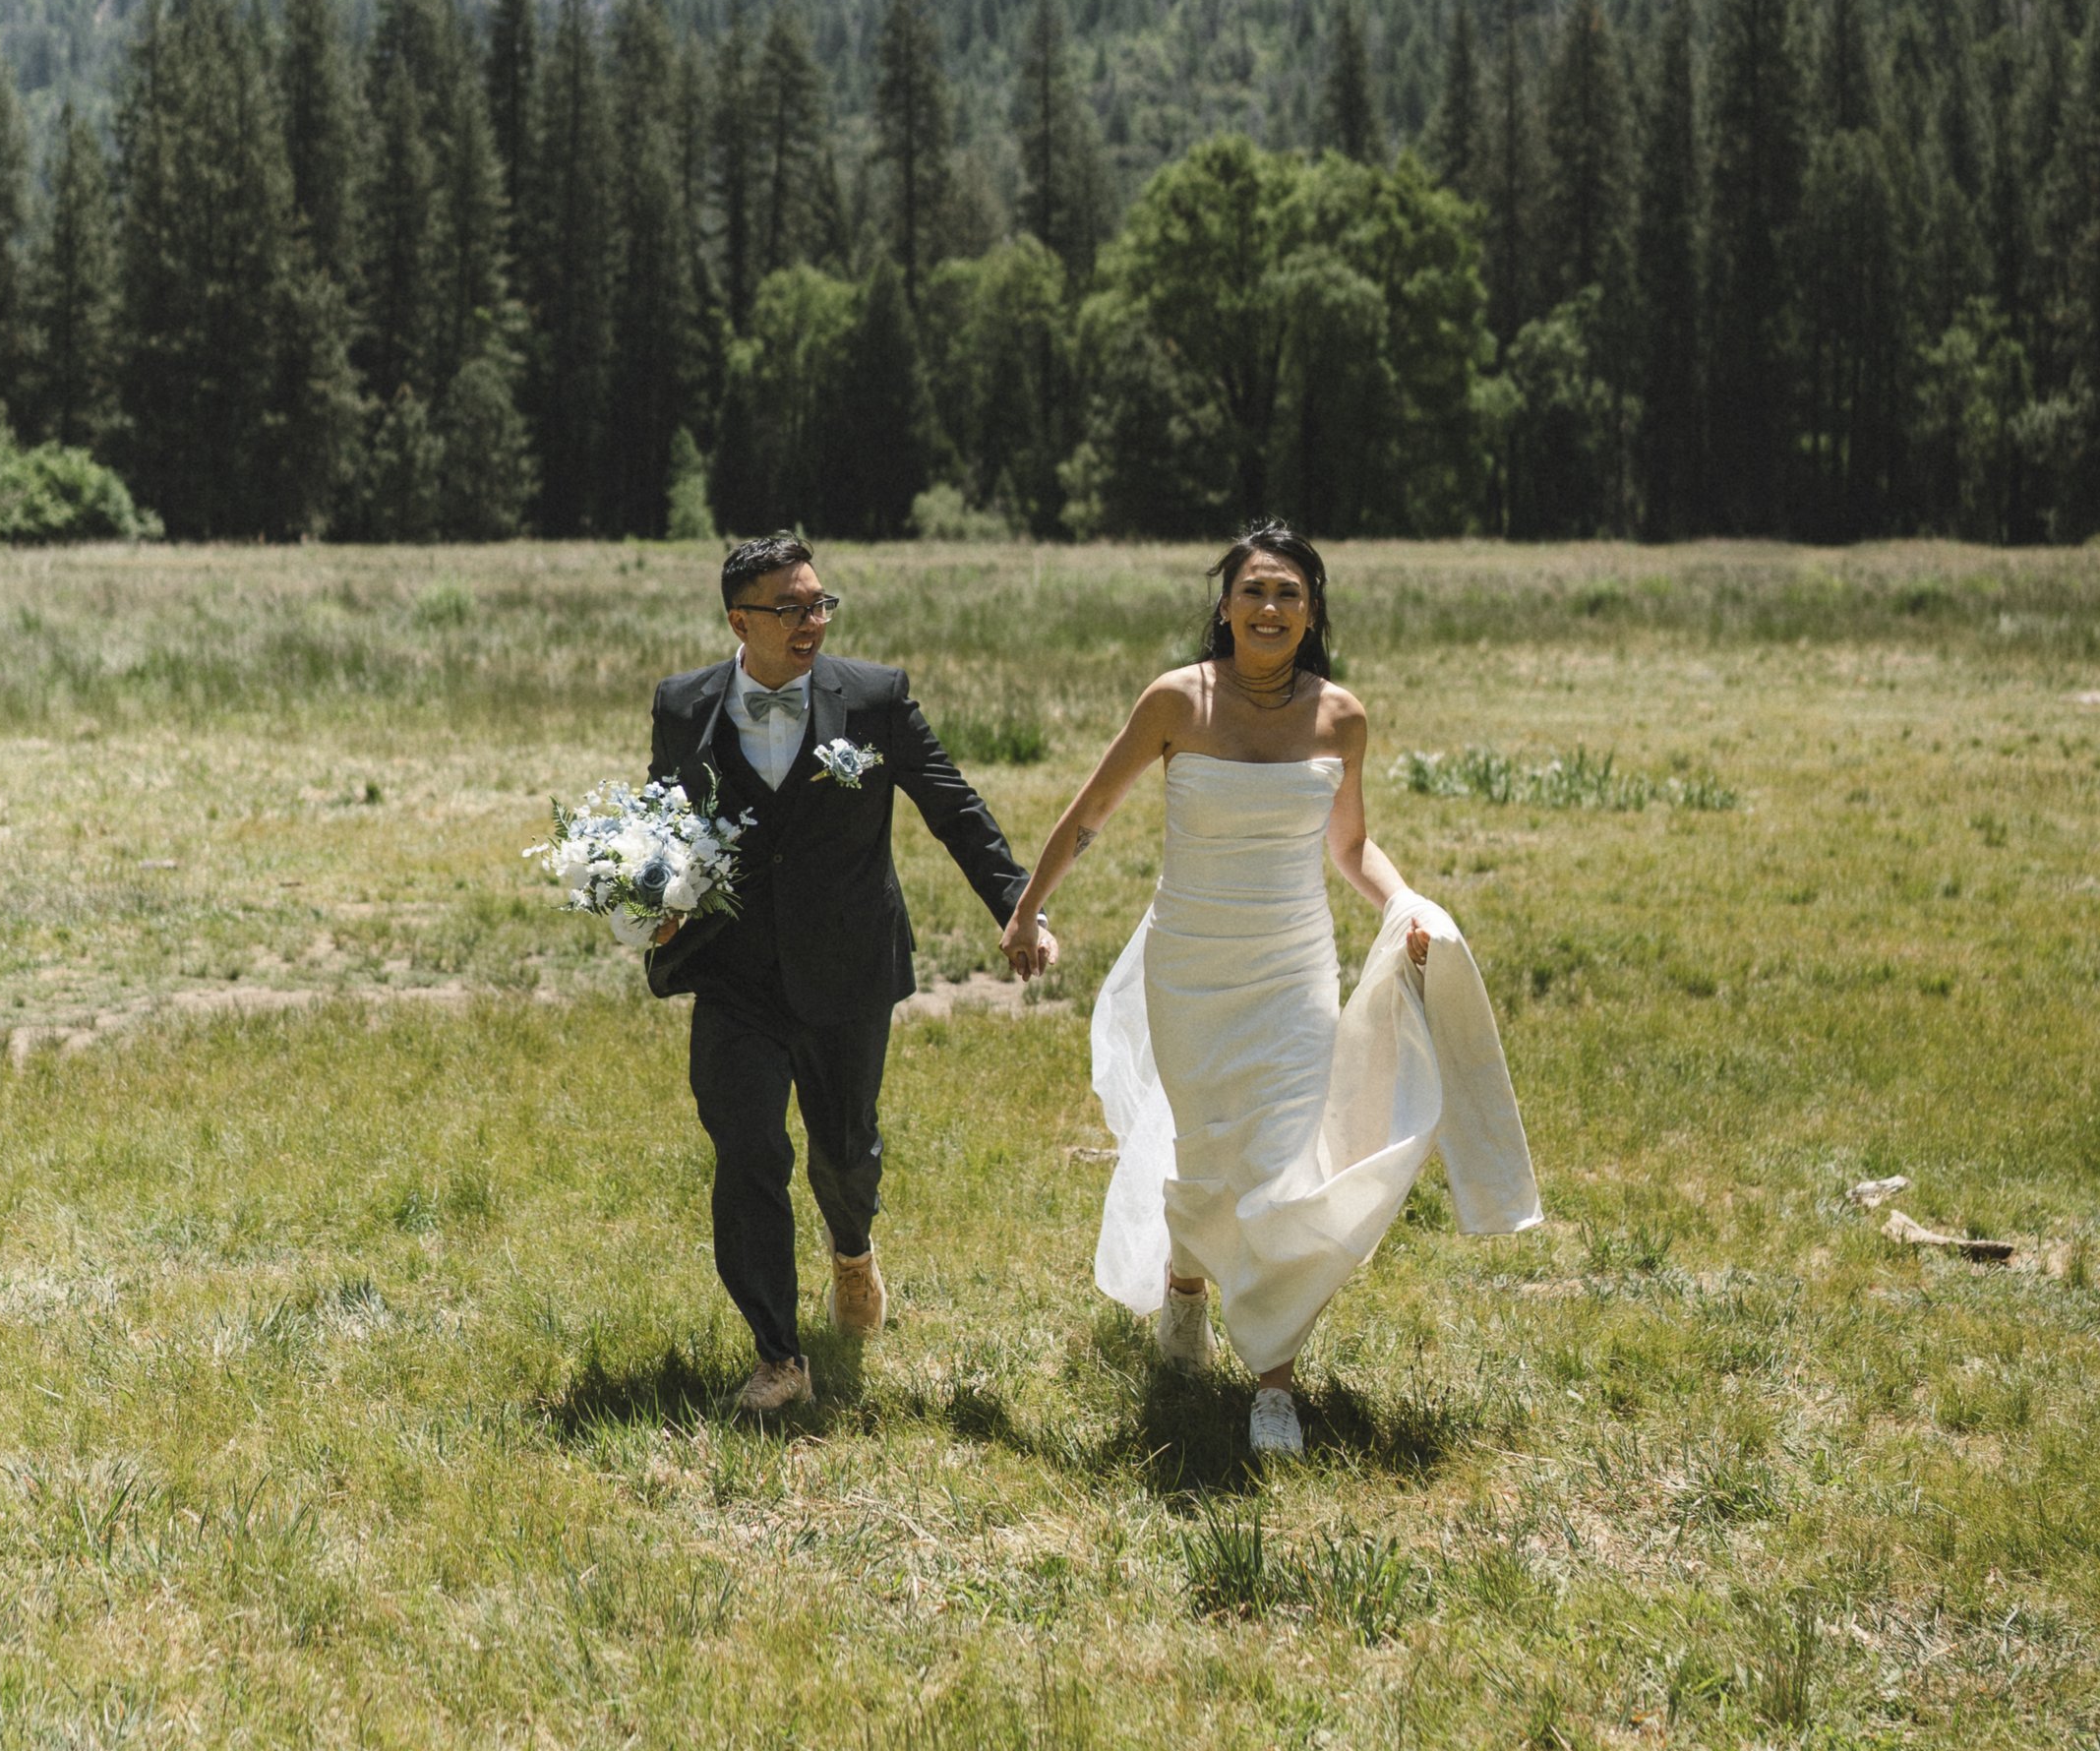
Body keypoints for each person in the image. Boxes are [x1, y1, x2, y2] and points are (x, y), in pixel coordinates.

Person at [1002, 521, 1538, 1459]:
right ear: (1225, 606)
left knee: (1282, 1163)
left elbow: (1351, 846)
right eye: (1253, 590)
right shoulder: (1176, 701)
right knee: (1209, 1148)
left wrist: (1407, 906)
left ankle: (1274, 1383)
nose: (1269, 607)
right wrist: (1026, 911)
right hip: (1190, 966)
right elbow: (1091, 812)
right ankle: (1185, 1283)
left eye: (1289, 593)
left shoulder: (1340, 717)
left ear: (1312, 614)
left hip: (1293, 970)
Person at [647, 532, 1055, 1416]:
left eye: (820, 603)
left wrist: (1017, 907)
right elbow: (663, 818)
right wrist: (650, 896)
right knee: (747, 1151)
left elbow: (954, 807)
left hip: (848, 967)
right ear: (740, 622)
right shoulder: (683, 706)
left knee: (845, 1153)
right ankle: (778, 1356)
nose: (813, 622)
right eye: (790, 608)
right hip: (734, 974)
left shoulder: (874, 698)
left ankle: (853, 1251)